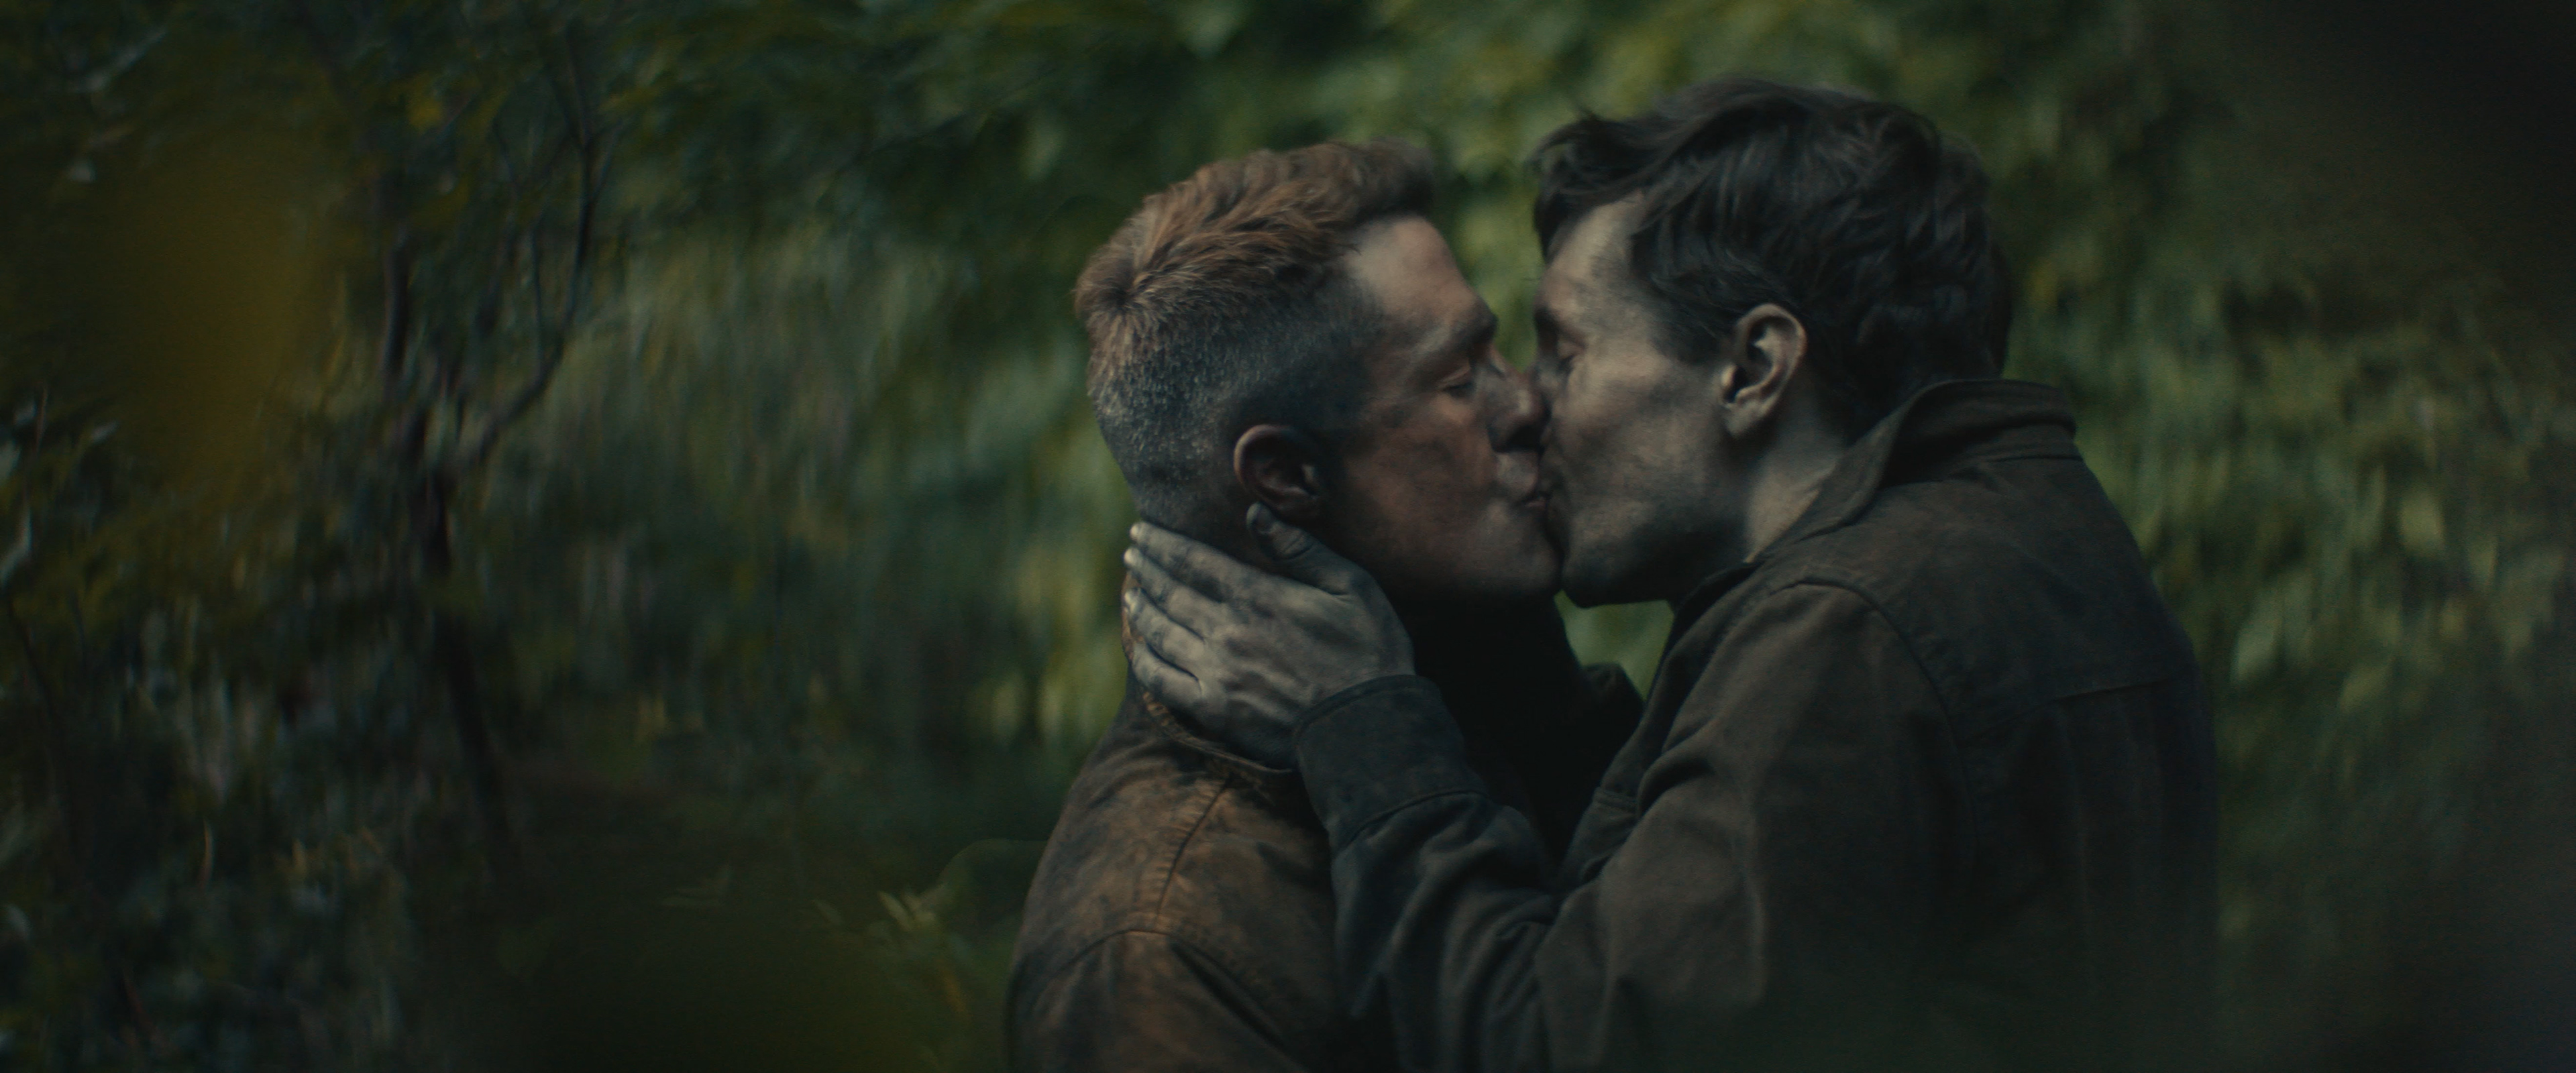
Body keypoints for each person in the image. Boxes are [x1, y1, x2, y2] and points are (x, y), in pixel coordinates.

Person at [1124, 78, 2219, 1072]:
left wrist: (1366, 727)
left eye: (1567, 352)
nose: (1530, 402)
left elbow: (1551, 1048)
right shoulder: (2027, 537)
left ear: (1752, 369)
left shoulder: (1852, 636)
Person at [1008, 139, 1640, 1072]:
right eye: (1459, 380)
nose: (1525, 407)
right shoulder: (1159, 950)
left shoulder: (1482, 684)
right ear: (1286, 477)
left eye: (1494, 348)